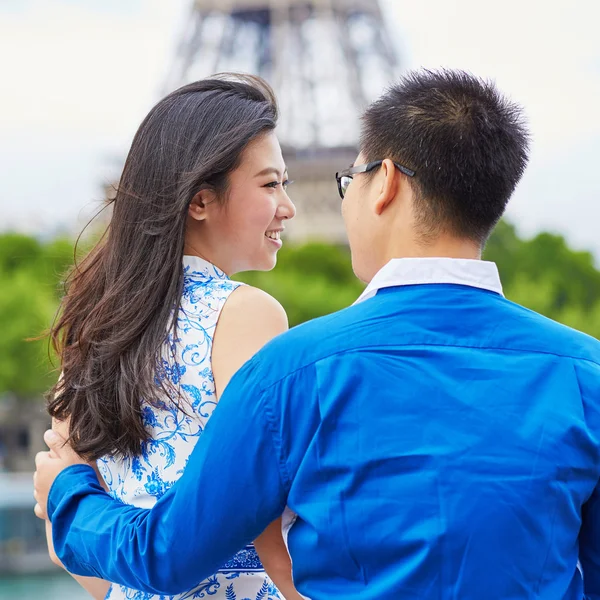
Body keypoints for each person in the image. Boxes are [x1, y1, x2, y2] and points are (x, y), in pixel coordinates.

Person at [35, 69, 600, 599]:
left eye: (347, 180)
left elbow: (166, 552)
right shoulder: (587, 373)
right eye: (270, 184)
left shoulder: (293, 368)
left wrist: (68, 497)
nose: (294, 208)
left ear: (386, 185)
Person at [38, 74, 300, 600]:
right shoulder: (246, 314)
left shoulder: (95, 323)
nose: (287, 206)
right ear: (201, 201)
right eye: (270, 184)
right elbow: (276, 534)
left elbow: (61, 525)